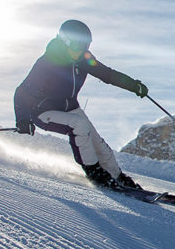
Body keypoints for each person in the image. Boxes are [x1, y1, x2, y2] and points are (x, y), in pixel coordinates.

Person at [14, 19, 148, 190]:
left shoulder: (84, 59)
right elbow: (22, 91)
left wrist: (133, 85)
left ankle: (117, 176)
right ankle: (95, 173)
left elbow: (107, 74)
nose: (82, 51)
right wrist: (23, 119)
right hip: (42, 111)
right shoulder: (47, 63)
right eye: (78, 46)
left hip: (70, 108)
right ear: (65, 42)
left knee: (98, 143)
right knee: (79, 125)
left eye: (86, 46)